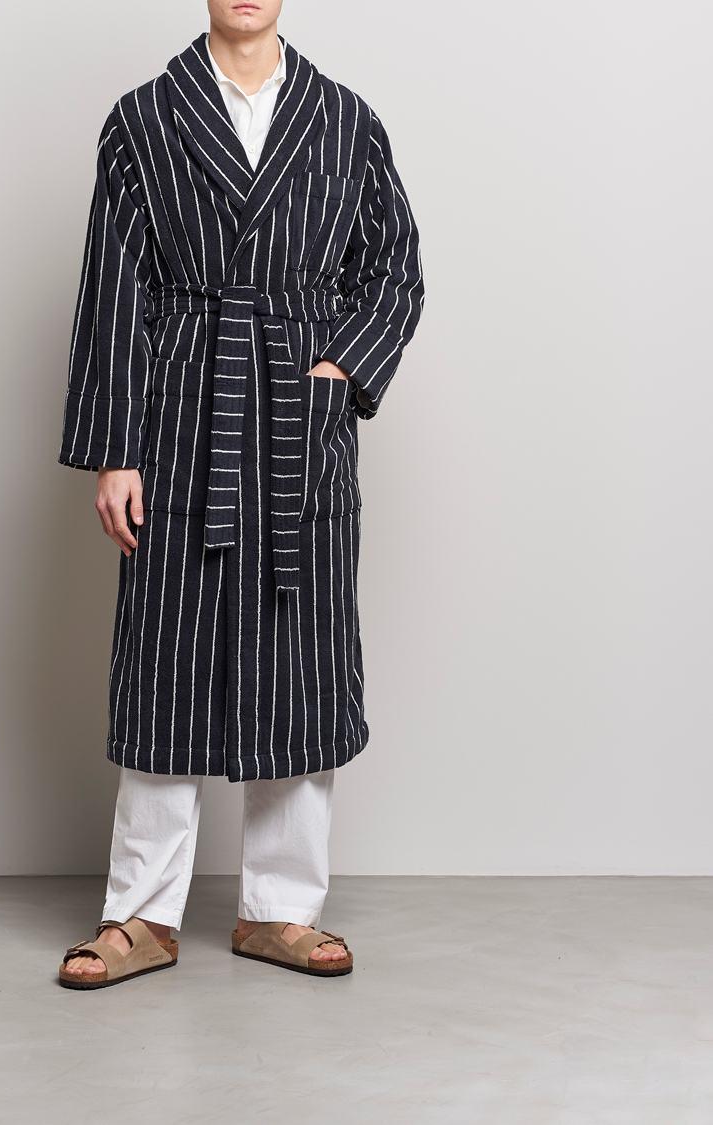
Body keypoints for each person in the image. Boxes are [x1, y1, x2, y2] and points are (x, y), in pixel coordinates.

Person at [57, 0, 424, 989]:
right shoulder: (144, 117)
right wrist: (115, 449)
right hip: (182, 414)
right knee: (167, 659)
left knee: (299, 661)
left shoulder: (346, 120)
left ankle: (282, 910)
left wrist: (341, 370)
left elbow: (394, 272)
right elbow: (114, 286)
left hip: (300, 423)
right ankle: (140, 915)